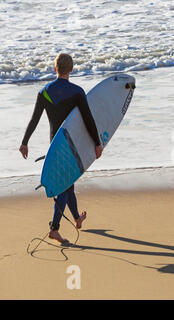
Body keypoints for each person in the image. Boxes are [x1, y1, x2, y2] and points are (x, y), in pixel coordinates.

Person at [19, 53, 103, 243]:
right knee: (64, 187)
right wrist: (97, 143)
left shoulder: (44, 92)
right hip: (72, 145)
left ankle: (76, 218)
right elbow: (89, 120)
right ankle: (54, 229)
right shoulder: (77, 92)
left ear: (55, 68)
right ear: (71, 69)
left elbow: (34, 119)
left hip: (54, 146)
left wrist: (24, 142)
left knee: (68, 183)